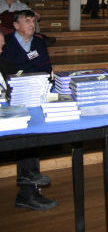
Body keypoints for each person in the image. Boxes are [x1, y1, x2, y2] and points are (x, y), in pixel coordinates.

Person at [0, 15, 57, 211]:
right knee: (27, 139)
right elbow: (9, 71)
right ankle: (27, 192)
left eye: (34, 21)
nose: (32, 25)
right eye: (27, 22)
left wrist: (32, 78)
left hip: (36, 92)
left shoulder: (39, 43)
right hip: (15, 96)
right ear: (15, 25)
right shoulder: (6, 43)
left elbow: (46, 66)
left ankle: (28, 193)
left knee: (30, 138)